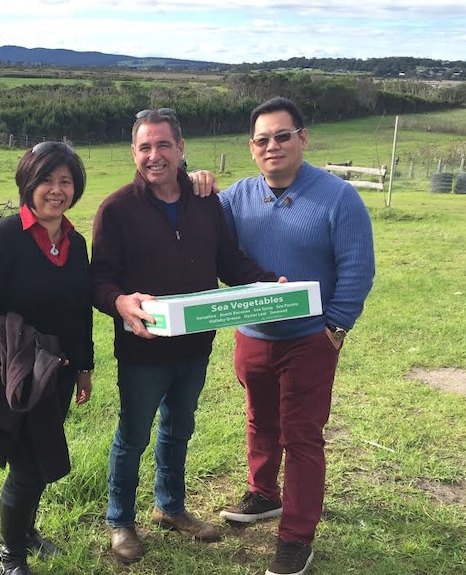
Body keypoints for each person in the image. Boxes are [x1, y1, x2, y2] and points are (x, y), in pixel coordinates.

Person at [189, 96, 375, 575]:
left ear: (303, 139)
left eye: (282, 136)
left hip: (310, 338)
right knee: (259, 418)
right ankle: (264, 492)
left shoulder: (338, 197)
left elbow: (356, 267)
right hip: (252, 335)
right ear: (252, 149)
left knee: (303, 436)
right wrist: (194, 185)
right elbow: (204, 228)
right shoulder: (236, 199)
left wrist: (334, 327)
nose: (273, 146)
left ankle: (296, 536)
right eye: (262, 140)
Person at [90, 108, 281, 563]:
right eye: (144, 147)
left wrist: (265, 282)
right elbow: (99, 280)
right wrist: (119, 302)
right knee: (133, 435)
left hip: (195, 345)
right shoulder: (116, 209)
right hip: (143, 348)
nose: (154, 155)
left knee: (179, 430)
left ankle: (170, 508)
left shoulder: (206, 202)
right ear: (133, 153)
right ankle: (120, 520)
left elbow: (228, 261)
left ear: (181, 148)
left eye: (163, 145)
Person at [0, 141, 94, 575]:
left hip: (61, 373)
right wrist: (21, 361)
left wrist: (84, 367)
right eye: (47, 180)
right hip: (15, 374)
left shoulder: (76, 242)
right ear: (28, 184)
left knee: (40, 456)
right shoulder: (1, 238)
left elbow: (80, 312)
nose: (57, 190)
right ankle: (11, 555)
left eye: (65, 181)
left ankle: (26, 533)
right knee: (29, 467)